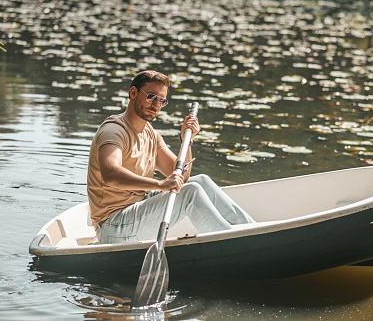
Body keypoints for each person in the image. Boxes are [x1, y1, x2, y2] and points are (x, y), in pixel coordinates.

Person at [87, 70, 255, 244]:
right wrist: (160, 184)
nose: (156, 105)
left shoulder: (150, 134)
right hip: (113, 225)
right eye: (151, 97)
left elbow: (181, 175)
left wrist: (186, 140)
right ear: (133, 93)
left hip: (136, 210)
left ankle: (254, 231)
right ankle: (238, 244)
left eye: (162, 100)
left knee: (201, 182)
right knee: (190, 194)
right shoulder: (114, 130)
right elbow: (110, 174)